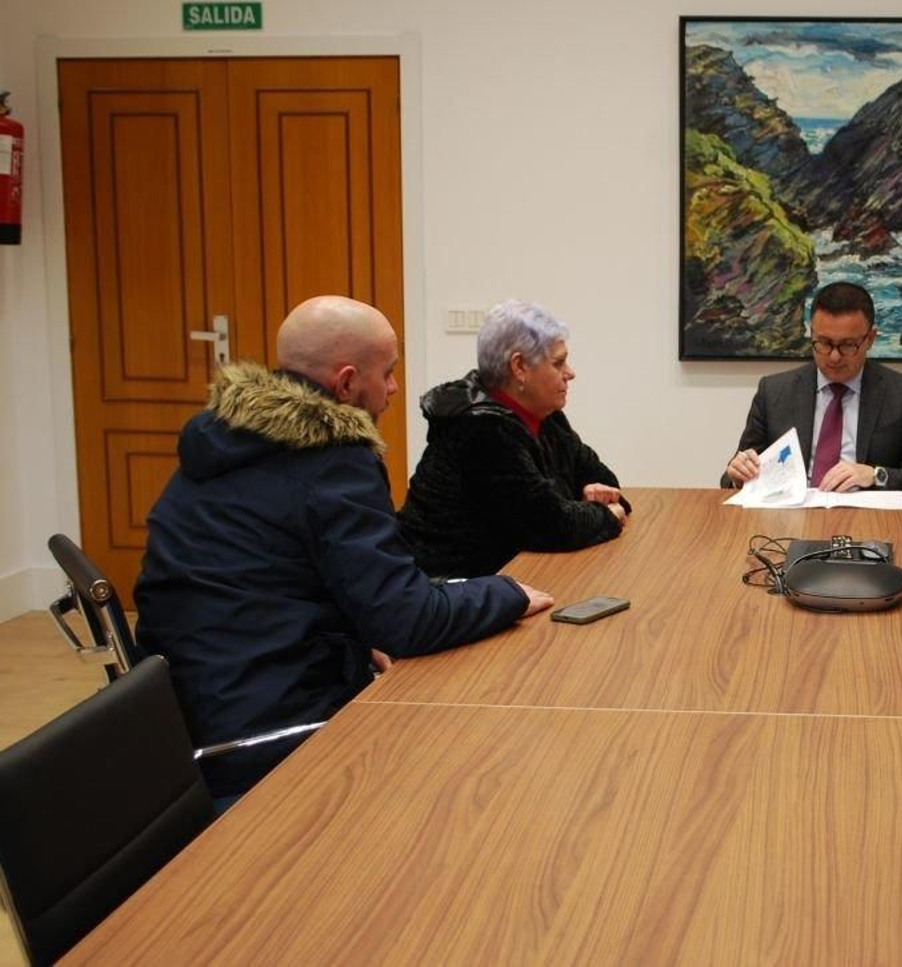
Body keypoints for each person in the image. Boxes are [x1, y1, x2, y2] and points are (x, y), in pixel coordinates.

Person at [135, 296, 551, 804]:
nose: (396, 388)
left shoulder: (227, 439)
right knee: (480, 773)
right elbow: (407, 621)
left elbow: (280, 575)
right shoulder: (330, 459)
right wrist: (505, 593)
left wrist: (357, 637)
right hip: (269, 744)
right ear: (348, 381)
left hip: (194, 711)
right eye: (389, 373)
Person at [400, 300, 629, 577]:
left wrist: (596, 501)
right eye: (558, 363)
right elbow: (552, 526)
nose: (570, 373)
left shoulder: (545, 415)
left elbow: (606, 483)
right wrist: (607, 515)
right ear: (519, 367)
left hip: (507, 576)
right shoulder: (481, 429)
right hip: (448, 589)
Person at [723, 281, 902, 492]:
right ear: (811, 334)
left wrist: (876, 475)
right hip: (790, 518)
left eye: (848, 345)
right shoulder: (773, 392)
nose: (834, 357)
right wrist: (738, 475)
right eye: (824, 343)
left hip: (869, 518)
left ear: (870, 339)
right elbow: (734, 474)